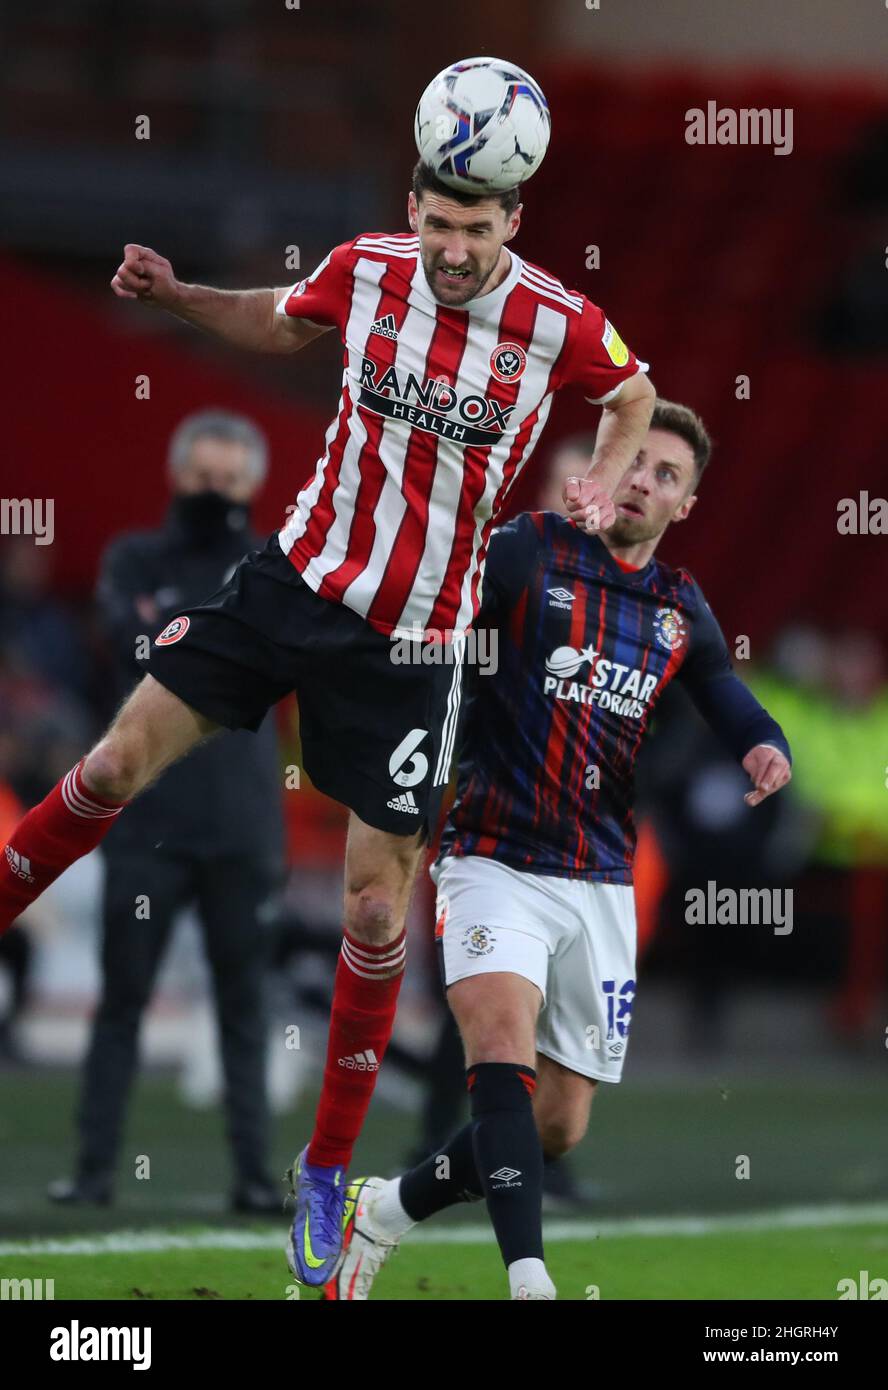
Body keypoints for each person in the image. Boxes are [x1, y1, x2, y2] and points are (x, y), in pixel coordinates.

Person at [0, 82, 655, 1285]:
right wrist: (184, 295)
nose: (456, 250)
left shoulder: (560, 321)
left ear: (513, 220)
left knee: (370, 910)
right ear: (416, 206)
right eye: (441, 224)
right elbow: (282, 319)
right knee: (110, 763)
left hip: (418, 645)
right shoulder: (366, 270)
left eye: (481, 227)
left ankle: (324, 1173)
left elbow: (632, 393)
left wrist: (606, 477)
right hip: (297, 580)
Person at [322, 399, 793, 1302]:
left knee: (558, 1125)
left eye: (668, 476)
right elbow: (434, 617)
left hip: (602, 876)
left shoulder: (676, 603)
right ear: (606, 466)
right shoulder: (530, 549)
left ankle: (386, 1210)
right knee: (500, 1052)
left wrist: (762, 742)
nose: (644, 482)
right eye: (636, 462)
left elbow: (721, 685)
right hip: (492, 856)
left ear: (684, 505)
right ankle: (529, 1276)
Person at [46, 411, 286, 1214]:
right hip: (145, 820)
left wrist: (179, 632)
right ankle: (92, 1172)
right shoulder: (135, 556)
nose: (215, 492)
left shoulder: (271, 566)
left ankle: (256, 1178)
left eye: (229, 479)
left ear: (252, 484)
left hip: (244, 824)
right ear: (176, 475)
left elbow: (190, 649)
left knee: (244, 1006)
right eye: (203, 477)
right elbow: (133, 644)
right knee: (122, 1000)